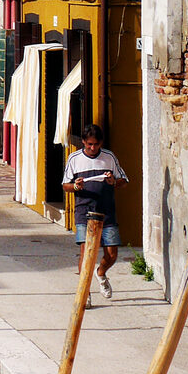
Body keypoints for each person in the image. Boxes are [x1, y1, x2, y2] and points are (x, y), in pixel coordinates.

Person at [62, 124, 129, 299]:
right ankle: (85, 292)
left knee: (112, 253)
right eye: (89, 144)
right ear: (83, 142)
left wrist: (113, 182)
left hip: (106, 211)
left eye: (96, 144)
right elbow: (65, 185)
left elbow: (124, 180)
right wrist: (76, 186)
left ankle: (101, 273)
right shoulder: (74, 158)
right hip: (84, 211)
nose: (93, 148)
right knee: (87, 252)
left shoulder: (109, 157)